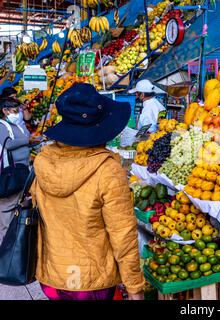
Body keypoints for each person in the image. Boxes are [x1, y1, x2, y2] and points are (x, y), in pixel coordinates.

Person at [30, 83, 145, 300]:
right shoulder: (107, 169)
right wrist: (135, 288)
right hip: (91, 282)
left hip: (52, 276)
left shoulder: (43, 162)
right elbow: (123, 236)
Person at [0, 100, 30, 244]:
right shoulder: (1, 125)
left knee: (16, 206)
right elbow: (8, 143)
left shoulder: (15, 125)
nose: (17, 113)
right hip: (10, 173)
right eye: (14, 111)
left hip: (20, 171)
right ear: (5, 111)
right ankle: (4, 247)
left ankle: (11, 245)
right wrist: (27, 140)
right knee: (6, 209)